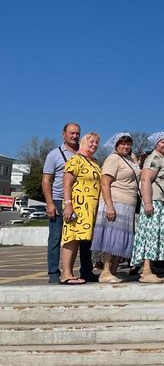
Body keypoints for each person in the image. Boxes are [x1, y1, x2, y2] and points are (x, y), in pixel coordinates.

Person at [42, 122, 95, 284]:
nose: (75, 136)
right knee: (57, 238)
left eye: (77, 133)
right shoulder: (54, 154)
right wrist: (50, 203)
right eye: (71, 133)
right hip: (60, 200)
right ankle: (53, 273)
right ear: (63, 134)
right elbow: (46, 180)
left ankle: (86, 270)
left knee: (84, 239)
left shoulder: (84, 152)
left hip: (81, 202)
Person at [92, 133, 140, 283]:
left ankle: (113, 271)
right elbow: (105, 183)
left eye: (128, 144)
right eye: (122, 144)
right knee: (112, 238)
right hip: (115, 202)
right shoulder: (113, 158)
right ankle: (105, 271)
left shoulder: (129, 160)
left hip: (128, 204)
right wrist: (109, 206)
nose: (126, 146)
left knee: (120, 240)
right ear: (116, 145)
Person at [131, 131, 164, 284]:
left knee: (156, 235)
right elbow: (145, 179)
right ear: (156, 144)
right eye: (162, 142)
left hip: (162, 202)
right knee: (150, 235)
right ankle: (146, 270)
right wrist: (148, 202)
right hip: (154, 201)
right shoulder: (154, 158)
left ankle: (149, 269)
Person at [59, 132, 102, 284]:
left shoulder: (95, 162)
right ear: (84, 142)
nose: (94, 145)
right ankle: (66, 274)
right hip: (77, 206)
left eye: (97, 142)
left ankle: (85, 272)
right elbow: (66, 183)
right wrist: (68, 204)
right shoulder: (75, 160)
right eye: (91, 142)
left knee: (84, 241)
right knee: (72, 238)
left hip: (91, 208)